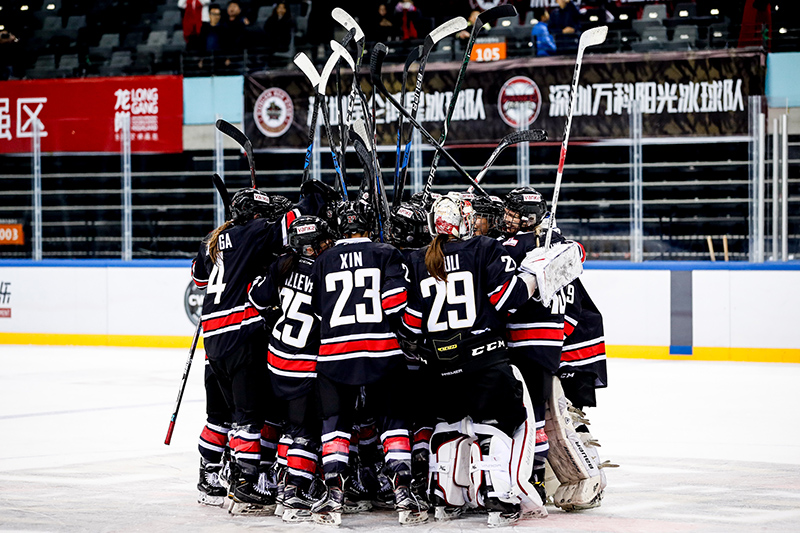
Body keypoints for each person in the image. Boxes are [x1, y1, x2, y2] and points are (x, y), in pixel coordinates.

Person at [190, 181, 335, 514]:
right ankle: (244, 482)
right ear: (256, 214)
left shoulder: (213, 239)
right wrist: (312, 195)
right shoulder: (255, 231)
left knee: (220, 415)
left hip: (212, 340)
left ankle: (209, 475)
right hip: (241, 332)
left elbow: (199, 277)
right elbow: (298, 222)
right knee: (249, 415)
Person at [401, 192, 546, 526]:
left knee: (449, 425)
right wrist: (534, 275)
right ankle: (500, 497)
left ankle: (446, 496)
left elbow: (410, 324)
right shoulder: (484, 249)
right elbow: (509, 299)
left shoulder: (419, 259)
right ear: (465, 222)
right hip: (484, 363)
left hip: (438, 368)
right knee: (506, 423)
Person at [309, 200, 425, 526]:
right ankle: (402, 488)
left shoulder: (323, 260)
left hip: (334, 357)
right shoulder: (386, 253)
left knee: (336, 423)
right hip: (382, 353)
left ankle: (334, 492)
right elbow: (394, 303)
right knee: (393, 422)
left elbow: (318, 311)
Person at [248, 215, 335, 522]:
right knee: (305, 432)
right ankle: (293, 493)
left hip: (276, 361)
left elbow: (257, 299)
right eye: (324, 240)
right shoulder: (327, 270)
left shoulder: (283, 264)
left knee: (286, 426)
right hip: (304, 367)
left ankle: (273, 478)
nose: (328, 243)